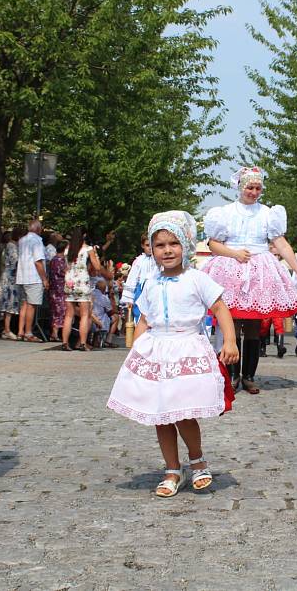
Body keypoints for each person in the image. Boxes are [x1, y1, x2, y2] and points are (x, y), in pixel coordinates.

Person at [107, 211, 238, 498]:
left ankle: (198, 460)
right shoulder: (151, 282)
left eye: (173, 244)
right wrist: (137, 351)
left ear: (186, 245)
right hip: (156, 351)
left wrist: (229, 341)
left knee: (183, 413)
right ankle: (171, 468)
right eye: (160, 245)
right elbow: (145, 319)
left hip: (187, 348)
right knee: (161, 415)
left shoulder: (197, 279)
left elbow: (220, 309)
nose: (167, 250)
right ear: (151, 250)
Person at [202, 166, 297, 394]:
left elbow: (281, 243)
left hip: (259, 270)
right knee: (232, 323)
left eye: (257, 187)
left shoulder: (268, 213)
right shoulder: (226, 213)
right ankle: (231, 374)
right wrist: (234, 253)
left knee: (253, 324)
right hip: (231, 270)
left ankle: (248, 376)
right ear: (241, 187)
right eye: (250, 187)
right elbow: (213, 244)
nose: (253, 191)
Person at [62, 226, 102, 351]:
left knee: (69, 315)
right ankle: (83, 343)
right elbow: (97, 267)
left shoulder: (68, 249)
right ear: (84, 235)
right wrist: (95, 253)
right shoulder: (88, 249)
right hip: (82, 282)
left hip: (69, 282)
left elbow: (66, 267)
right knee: (85, 315)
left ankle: (64, 342)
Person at [16, 219, 48, 343]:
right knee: (31, 305)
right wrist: (44, 279)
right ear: (38, 229)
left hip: (22, 276)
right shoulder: (37, 241)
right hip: (33, 277)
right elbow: (38, 261)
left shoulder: (22, 240)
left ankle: (20, 331)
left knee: (24, 304)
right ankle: (28, 332)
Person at [120, 232, 158, 323]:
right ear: (142, 245)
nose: (150, 248)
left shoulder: (159, 259)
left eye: (152, 245)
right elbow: (132, 279)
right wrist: (129, 298)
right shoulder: (139, 261)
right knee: (140, 314)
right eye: (147, 245)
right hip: (140, 291)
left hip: (156, 289)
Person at [0, 227, 24, 339]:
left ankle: (7, 328)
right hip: (10, 277)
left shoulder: (14, 245)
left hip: (13, 277)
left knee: (11, 302)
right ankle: (6, 329)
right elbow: (15, 261)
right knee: (9, 302)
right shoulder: (12, 246)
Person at [48, 240, 68, 342]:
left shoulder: (55, 259)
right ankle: (55, 333)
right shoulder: (59, 260)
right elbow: (65, 272)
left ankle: (55, 333)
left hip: (56, 289)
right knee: (59, 311)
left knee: (58, 311)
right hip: (58, 290)